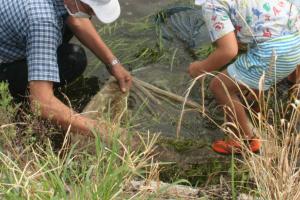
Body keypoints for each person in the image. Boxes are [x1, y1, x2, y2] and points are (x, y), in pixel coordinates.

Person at [0, 0, 132, 144]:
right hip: (4, 63)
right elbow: (41, 104)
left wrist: (113, 63)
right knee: (72, 60)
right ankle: (18, 97)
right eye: (89, 8)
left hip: (11, 32)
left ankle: (39, 61)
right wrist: (103, 130)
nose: (92, 14)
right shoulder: (43, 22)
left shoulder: (65, 5)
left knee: (67, 34)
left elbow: (76, 21)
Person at [189, 0, 300, 154]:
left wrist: (200, 68)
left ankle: (244, 138)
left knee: (219, 85)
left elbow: (229, 51)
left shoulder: (212, 4)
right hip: (296, 44)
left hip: (273, 53)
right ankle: (291, 86)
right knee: (255, 62)